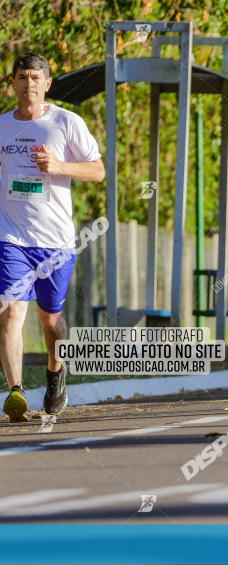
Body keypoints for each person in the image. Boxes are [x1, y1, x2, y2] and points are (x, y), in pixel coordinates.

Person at [0, 54, 105, 422]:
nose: (28, 83)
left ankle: (55, 371)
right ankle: (15, 393)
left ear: (47, 83)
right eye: (22, 77)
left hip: (55, 240)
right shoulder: (2, 127)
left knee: (50, 321)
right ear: (12, 83)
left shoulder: (66, 122)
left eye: (35, 77)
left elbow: (97, 170)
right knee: (12, 310)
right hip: (11, 236)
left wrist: (59, 167)